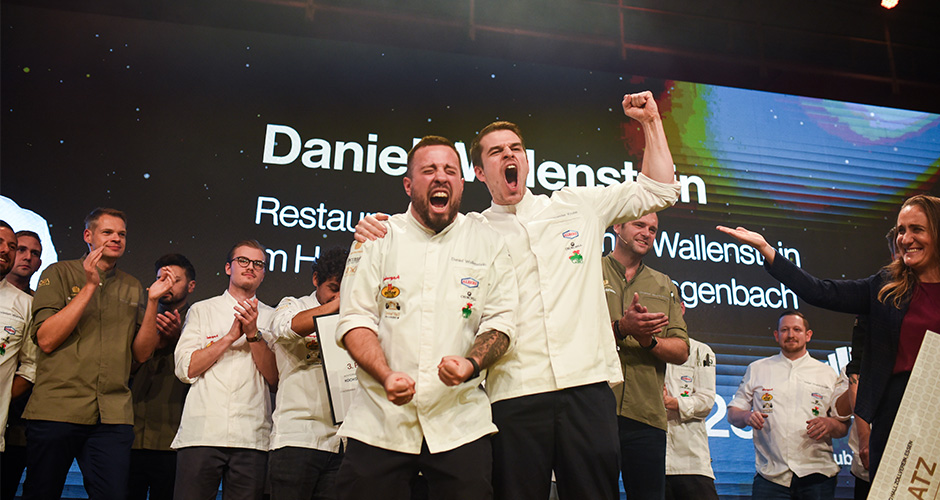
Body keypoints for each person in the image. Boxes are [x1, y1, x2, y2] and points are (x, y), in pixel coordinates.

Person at [356, 92, 681, 499]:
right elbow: (417, 233)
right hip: (513, 393)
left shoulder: (578, 206)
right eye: (496, 152)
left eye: (516, 148)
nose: (509, 155)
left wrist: (650, 121)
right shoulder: (470, 229)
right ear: (478, 172)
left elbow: (659, 190)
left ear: (526, 161)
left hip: (586, 385)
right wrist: (377, 229)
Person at [336, 136, 518, 500]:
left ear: (461, 183)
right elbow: (355, 320)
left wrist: (470, 364)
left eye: (450, 170)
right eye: (429, 170)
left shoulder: (489, 242)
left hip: (460, 424)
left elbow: (501, 322)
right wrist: (386, 375)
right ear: (408, 184)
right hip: (379, 421)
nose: (440, 177)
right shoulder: (377, 237)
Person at [717, 193, 940, 479]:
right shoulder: (884, 288)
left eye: (916, 229)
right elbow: (819, 291)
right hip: (898, 411)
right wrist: (767, 250)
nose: (905, 239)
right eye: (901, 230)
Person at [21, 208, 173, 500]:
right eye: (108, 232)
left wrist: (153, 301)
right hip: (58, 408)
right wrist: (90, 286)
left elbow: (142, 355)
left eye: (122, 234)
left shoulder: (132, 286)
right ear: (88, 236)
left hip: (112, 414)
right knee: (41, 491)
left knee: (113, 494)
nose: (116, 239)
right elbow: (47, 340)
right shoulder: (59, 273)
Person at [172, 240, 277, 500]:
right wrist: (230, 337)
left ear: (264, 274)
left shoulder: (273, 316)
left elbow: (275, 379)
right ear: (229, 268)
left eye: (258, 264)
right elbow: (186, 369)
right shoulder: (202, 310)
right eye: (243, 261)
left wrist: (253, 335)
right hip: (202, 432)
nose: (250, 267)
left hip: (251, 436)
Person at [603, 212, 689, 500]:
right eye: (639, 225)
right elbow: (569, 332)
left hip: (646, 415)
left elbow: (681, 350)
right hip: (594, 410)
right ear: (617, 226)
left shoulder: (663, 284)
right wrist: (621, 328)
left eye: (653, 229)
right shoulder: (589, 272)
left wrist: (648, 341)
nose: (647, 233)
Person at [727, 311, 849, 499]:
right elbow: (733, 413)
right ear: (776, 335)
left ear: (808, 335)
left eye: (797, 330)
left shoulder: (827, 373)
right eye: (785, 330)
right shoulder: (758, 368)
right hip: (771, 477)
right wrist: (746, 416)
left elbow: (842, 427)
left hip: (818, 475)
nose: (791, 335)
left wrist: (830, 424)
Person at [268, 246, 349, 500]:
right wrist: (335, 307)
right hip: (297, 438)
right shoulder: (294, 305)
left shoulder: (355, 317)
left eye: (346, 289)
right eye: (334, 288)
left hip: (341, 443)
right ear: (316, 279)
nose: (339, 296)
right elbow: (284, 328)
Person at [128, 254, 197, 500]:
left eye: (175, 280)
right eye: (161, 279)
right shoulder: (138, 318)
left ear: (190, 286)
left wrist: (179, 341)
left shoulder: (198, 320)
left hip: (173, 437)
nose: (167, 285)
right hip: (131, 434)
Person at [0, 226, 41, 499]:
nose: (7, 250)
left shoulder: (28, 305)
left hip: (16, 425)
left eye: (12, 246)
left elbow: (31, 367)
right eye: (20, 248)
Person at [663, 337, 719, 500]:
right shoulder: (638, 348)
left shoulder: (700, 350)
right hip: (649, 463)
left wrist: (671, 402)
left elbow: (706, 401)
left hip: (691, 462)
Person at [3, 230, 43, 294]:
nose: (28, 257)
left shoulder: (39, 300)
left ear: (39, 265)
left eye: (35, 253)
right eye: (21, 250)